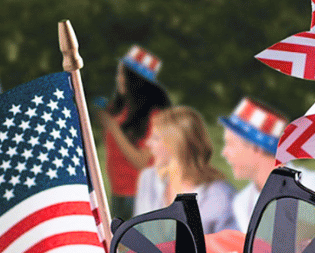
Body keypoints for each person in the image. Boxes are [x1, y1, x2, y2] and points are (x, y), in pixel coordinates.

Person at [219, 97, 315, 232]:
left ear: (256, 148)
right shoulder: (241, 203)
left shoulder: (310, 186)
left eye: (230, 144)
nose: (224, 153)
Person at [134, 106, 237, 234]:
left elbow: (231, 248)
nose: (148, 143)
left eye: (156, 138)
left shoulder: (220, 195)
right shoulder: (148, 179)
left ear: (176, 144)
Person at [98, 45, 171, 220]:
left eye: (123, 75)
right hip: (119, 193)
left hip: (140, 195)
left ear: (136, 80)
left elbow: (141, 162)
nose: (119, 79)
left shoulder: (154, 116)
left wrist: (113, 128)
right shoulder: (119, 109)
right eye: (118, 74)